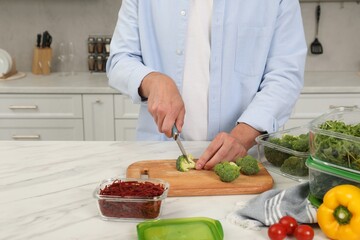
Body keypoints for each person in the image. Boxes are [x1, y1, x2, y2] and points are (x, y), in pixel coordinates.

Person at [106, 0, 307, 170]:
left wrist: (242, 137)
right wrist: (153, 80)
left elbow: (285, 75)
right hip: (158, 155)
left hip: (244, 160)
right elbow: (120, 59)